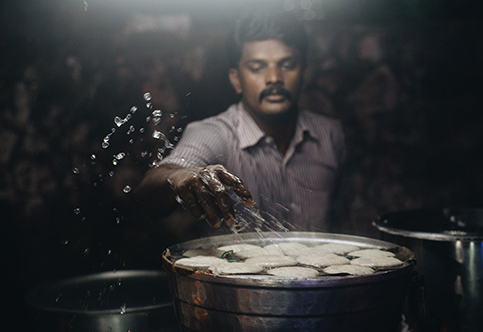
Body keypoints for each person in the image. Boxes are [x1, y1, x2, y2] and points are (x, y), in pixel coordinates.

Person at [135, 10, 349, 233]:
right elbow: (149, 192)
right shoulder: (214, 134)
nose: (274, 78)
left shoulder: (329, 134)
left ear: (304, 74)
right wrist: (175, 176)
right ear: (236, 79)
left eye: (286, 65)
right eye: (257, 68)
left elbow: (343, 214)